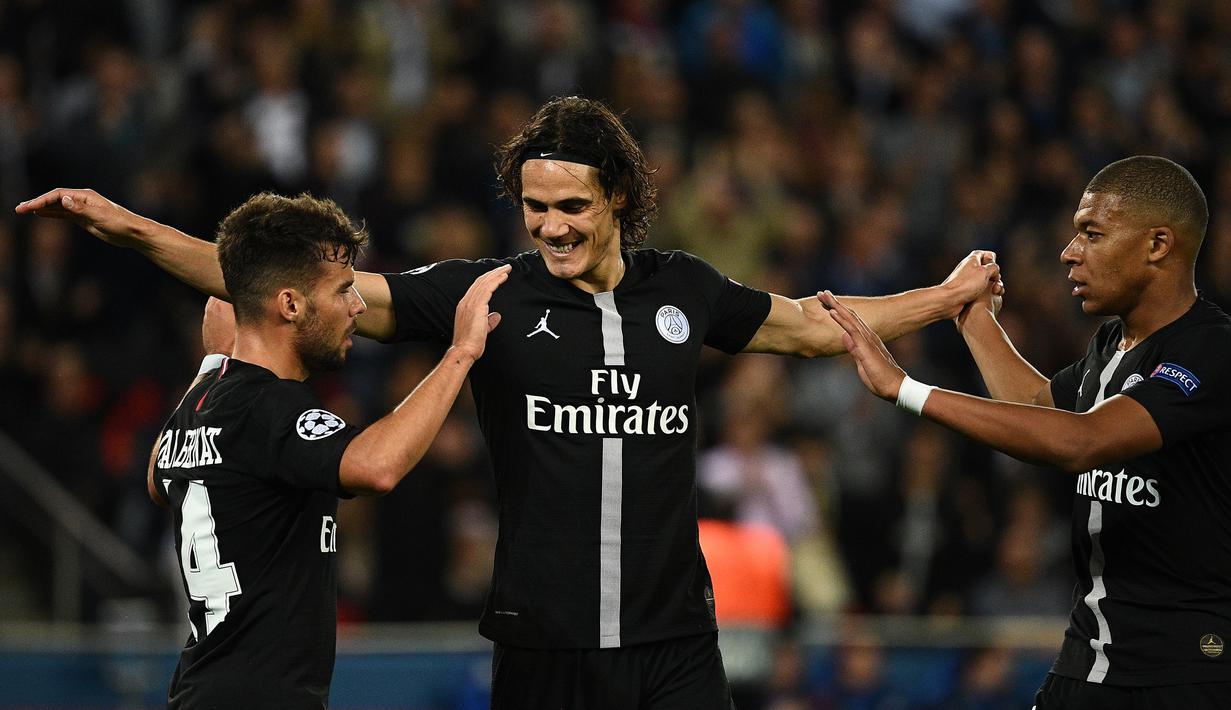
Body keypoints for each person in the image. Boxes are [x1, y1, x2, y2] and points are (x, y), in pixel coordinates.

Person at [17, 96, 999, 709]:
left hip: (674, 643)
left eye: (572, 207)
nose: (552, 227)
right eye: (535, 209)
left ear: (617, 196)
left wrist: (944, 298)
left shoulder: (685, 292)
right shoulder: (485, 294)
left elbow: (820, 324)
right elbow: (283, 286)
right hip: (543, 645)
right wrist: (128, 228)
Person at [819, 155, 1231, 709]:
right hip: (1087, 658)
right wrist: (973, 316)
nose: (1069, 252)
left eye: (1092, 233)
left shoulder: (1211, 350)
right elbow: (1038, 405)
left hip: (1182, 670)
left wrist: (906, 389)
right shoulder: (1111, 345)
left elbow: (1079, 441)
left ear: (1158, 245)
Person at [145, 192, 509, 708]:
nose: (358, 306)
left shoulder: (210, 399)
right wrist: (461, 353)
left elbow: (159, 478)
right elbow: (376, 467)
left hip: (202, 690)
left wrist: (211, 363)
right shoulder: (269, 409)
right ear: (290, 304)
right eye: (342, 290)